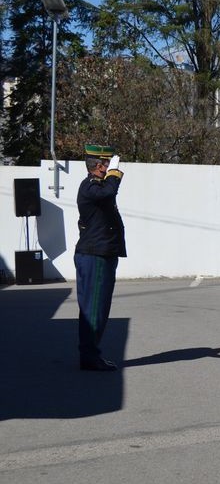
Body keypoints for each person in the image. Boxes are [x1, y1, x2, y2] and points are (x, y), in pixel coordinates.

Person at [74, 144, 127, 371]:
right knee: (94, 309)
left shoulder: (96, 186)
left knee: (97, 307)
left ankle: (90, 353)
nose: (109, 169)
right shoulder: (91, 187)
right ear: (98, 165)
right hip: (95, 255)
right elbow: (108, 192)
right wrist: (115, 175)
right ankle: (89, 356)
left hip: (100, 253)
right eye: (106, 165)